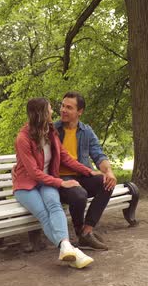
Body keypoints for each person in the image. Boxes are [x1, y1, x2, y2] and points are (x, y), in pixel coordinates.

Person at [13, 97, 101, 269]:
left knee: (55, 206)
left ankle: (66, 249)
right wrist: (61, 183)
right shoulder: (22, 138)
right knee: (44, 214)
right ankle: (69, 249)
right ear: (42, 113)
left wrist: (88, 171)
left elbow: (66, 157)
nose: (54, 111)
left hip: (46, 181)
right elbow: (33, 173)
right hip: (26, 185)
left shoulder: (51, 132)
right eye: (50, 109)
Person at [54, 91, 118, 250]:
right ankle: (79, 231)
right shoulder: (52, 130)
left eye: (69, 107)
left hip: (82, 175)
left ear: (79, 112)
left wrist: (108, 171)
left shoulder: (86, 131)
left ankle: (87, 231)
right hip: (61, 181)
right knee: (79, 194)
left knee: (107, 183)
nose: (63, 110)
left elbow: (98, 154)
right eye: (62, 106)